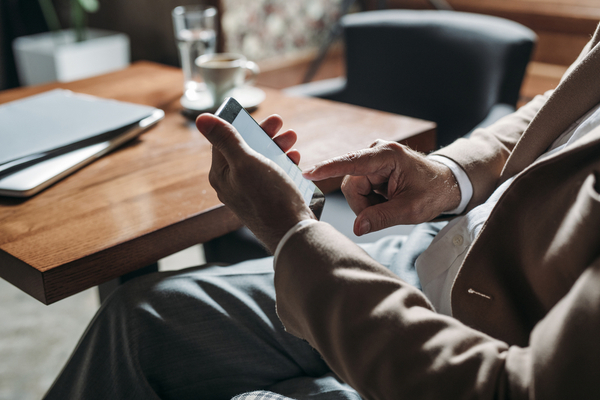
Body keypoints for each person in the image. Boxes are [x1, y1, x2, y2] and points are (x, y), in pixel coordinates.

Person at [44, 25, 600, 400]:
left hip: (486, 344)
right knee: (141, 317)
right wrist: (449, 174)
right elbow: (561, 109)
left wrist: (291, 236)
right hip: (437, 249)